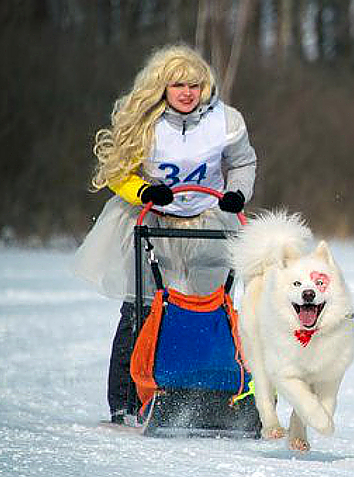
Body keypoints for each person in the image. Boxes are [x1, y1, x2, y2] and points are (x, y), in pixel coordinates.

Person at [73, 44, 257, 424]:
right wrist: (143, 191)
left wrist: (238, 193)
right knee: (141, 309)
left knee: (208, 306)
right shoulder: (144, 119)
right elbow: (116, 171)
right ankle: (124, 402)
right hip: (150, 222)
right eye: (178, 85)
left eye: (194, 85)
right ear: (163, 86)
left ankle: (205, 393)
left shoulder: (226, 120)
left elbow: (242, 162)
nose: (187, 93)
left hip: (207, 221)